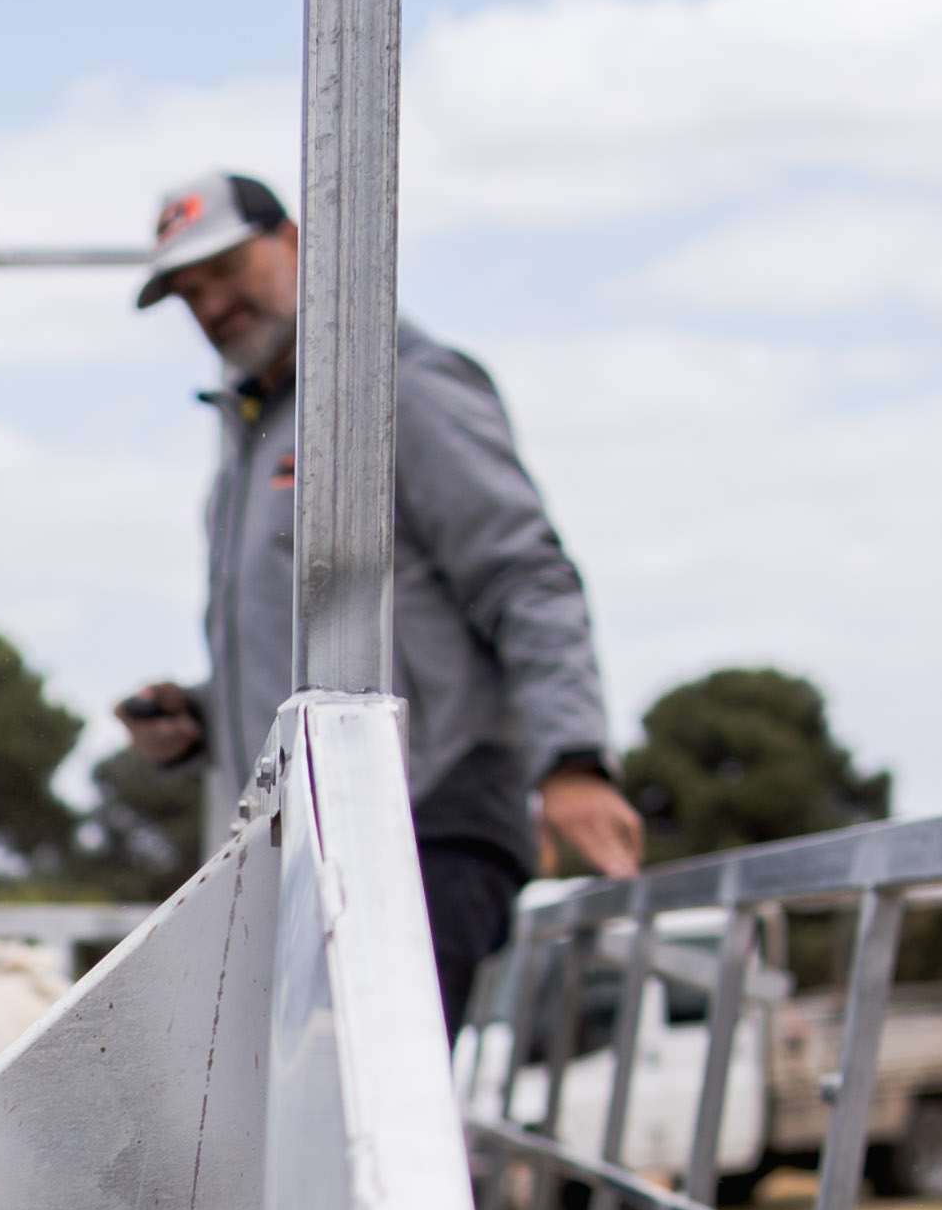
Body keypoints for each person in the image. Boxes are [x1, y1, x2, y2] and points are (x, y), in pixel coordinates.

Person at [115, 171, 638, 1025]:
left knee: (369, 1129)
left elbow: (523, 574)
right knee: (319, 1142)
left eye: (225, 270)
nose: (209, 304)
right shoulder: (255, 431)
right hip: (311, 846)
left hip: (420, 829)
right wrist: (201, 717)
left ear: (293, 242)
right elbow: (330, 648)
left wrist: (571, 760)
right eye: (187, 291)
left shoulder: (397, 387)